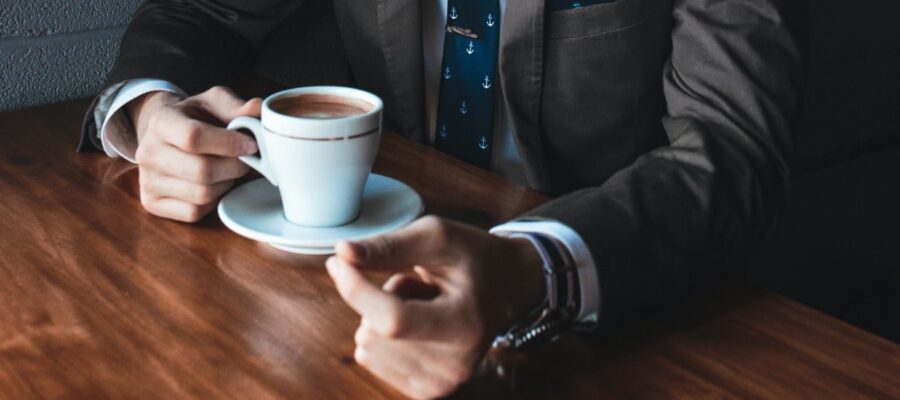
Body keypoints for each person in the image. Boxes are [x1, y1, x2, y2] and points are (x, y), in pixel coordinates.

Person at [78, 0, 801, 398]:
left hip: (622, 319)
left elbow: (732, 149)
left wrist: (531, 269)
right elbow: (201, 12)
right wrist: (147, 113)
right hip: (338, 301)